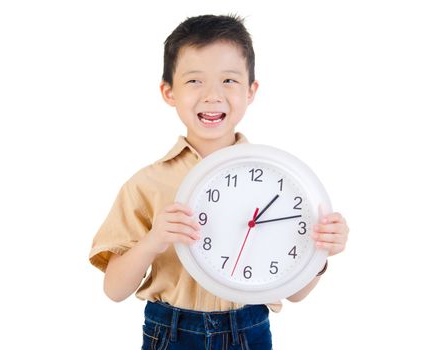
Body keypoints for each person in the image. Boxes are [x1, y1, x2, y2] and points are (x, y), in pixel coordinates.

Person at [89, 14, 349, 349]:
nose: (213, 95)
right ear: (168, 91)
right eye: (195, 81)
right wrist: (153, 241)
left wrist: (320, 252)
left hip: (248, 329)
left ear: (251, 90)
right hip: (171, 331)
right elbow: (114, 290)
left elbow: (296, 293)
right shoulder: (147, 183)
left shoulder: (281, 180)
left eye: (229, 80)